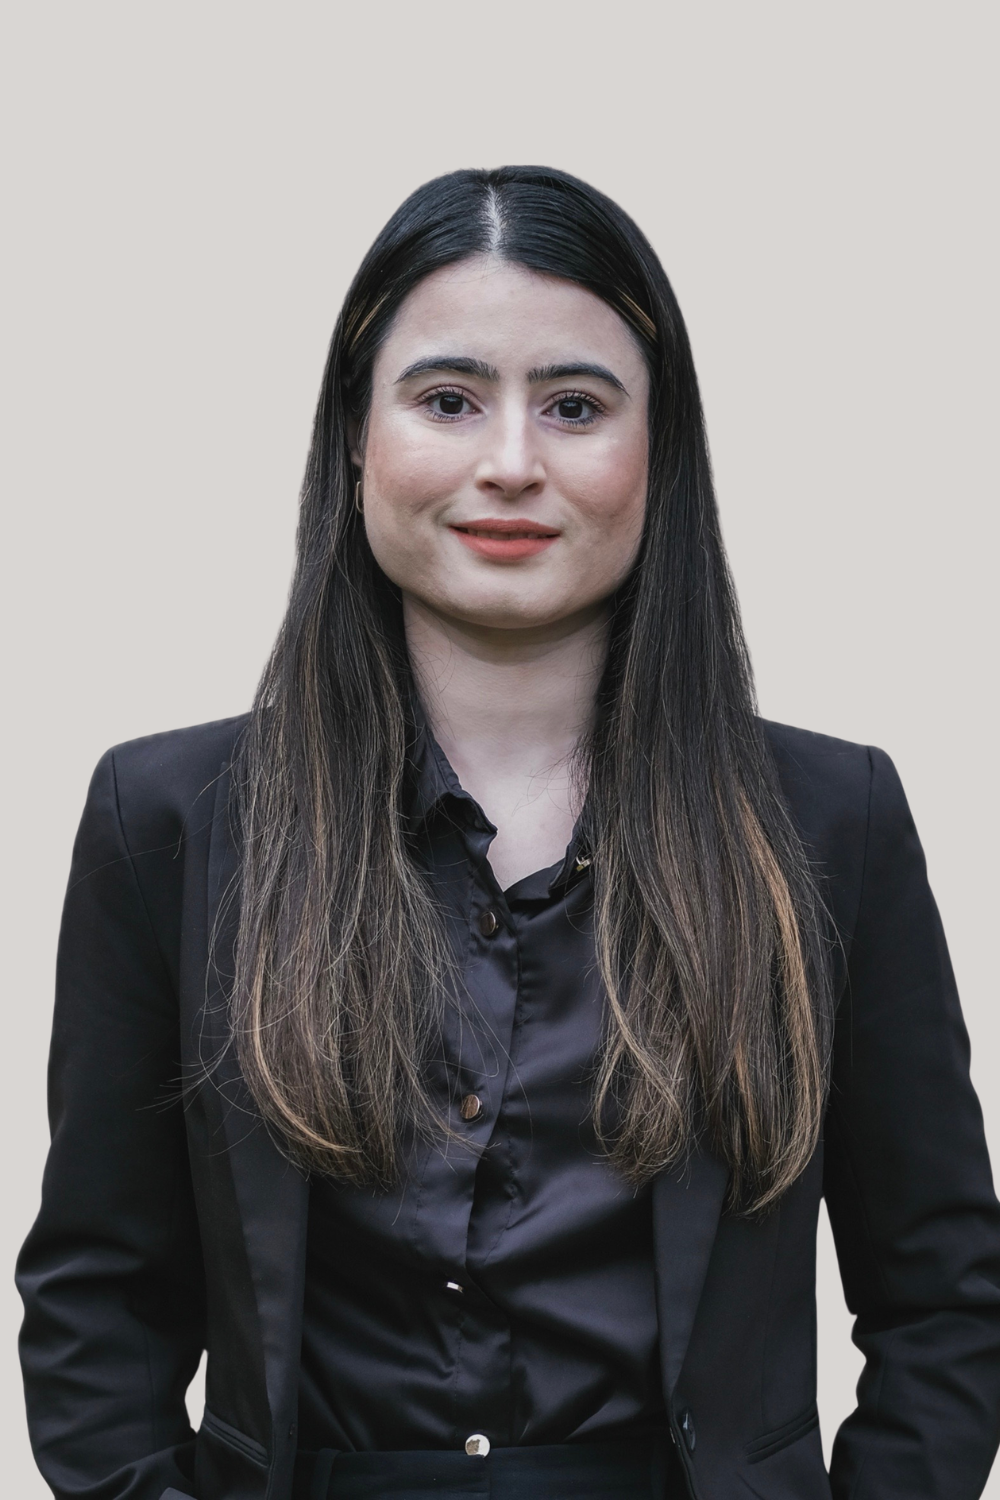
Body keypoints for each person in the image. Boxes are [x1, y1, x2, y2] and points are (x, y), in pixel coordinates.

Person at [16, 166, 1000, 1500]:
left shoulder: (834, 825)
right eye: (448, 399)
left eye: (576, 406)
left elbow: (946, 1295)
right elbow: (100, 1299)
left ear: (661, 447)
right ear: (356, 434)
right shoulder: (168, 823)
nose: (513, 463)